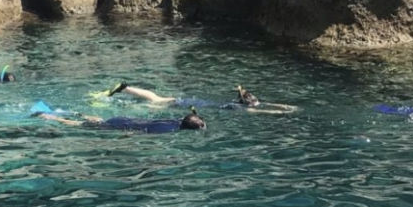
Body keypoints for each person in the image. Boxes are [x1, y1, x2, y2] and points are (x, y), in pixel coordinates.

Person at [105, 82, 296, 115]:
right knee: (152, 105)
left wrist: (284, 105)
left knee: (156, 98)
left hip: (189, 100)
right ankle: (122, 98)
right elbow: (263, 111)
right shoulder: (238, 108)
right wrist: (279, 111)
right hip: (182, 105)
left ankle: (125, 89)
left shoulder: (234, 104)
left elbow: (261, 104)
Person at [33, 104, 207, 134]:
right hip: (123, 126)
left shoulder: (174, 121)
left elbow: (188, 117)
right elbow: (140, 133)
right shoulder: (169, 130)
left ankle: (71, 111)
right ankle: (50, 117)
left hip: (124, 119)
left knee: (99, 119)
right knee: (81, 125)